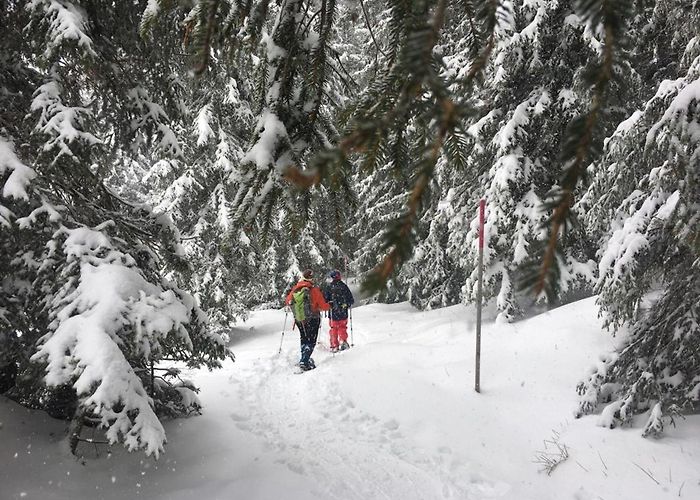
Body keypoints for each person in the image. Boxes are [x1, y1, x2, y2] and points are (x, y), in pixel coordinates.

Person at [285, 269, 329, 371]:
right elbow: (323, 306)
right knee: (311, 340)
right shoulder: (314, 290)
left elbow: (288, 301)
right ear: (311, 279)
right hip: (312, 318)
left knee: (304, 338)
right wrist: (329, 305)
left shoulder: (295, 289)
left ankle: (305, 358)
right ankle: (304, 361)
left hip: (300, 320)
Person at [323, 270, 354, 353]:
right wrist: (346, 305)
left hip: (333, 314)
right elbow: (351, 300)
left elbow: (325, 300)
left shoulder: (329, 287)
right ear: (339, 276)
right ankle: (343, 341)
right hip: (343, 313)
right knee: (343, 328)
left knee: (333, 329)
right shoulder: (344, 286)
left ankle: (334, 345)